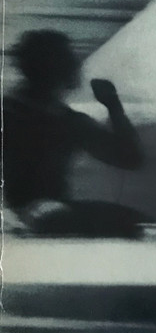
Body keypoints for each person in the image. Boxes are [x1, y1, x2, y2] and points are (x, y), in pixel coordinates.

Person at [3, 30, 144, 237]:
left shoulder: (66, 120)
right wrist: (114, 107)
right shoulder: (62, 121)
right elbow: (130, 159)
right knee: (128, 223)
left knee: (131, 221)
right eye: (69, 59)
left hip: (42, 213)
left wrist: (114, 107)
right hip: (31, 215)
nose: (77, 66)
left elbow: (130, 159)